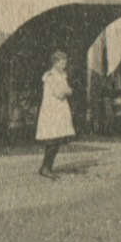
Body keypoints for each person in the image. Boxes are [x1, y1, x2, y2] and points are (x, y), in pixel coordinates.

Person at [36, 50, 75, 179]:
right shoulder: (52, 76)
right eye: (62, 61)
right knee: (52, 139)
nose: (65, 64)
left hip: (58, 111)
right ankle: (46, 167)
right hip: (52, 111)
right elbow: (59, 93)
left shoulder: (61, 75)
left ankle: (47, 167)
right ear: (56, 62)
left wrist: (66, 90)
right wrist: (68, 91)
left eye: (65, 61)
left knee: (57, 139)